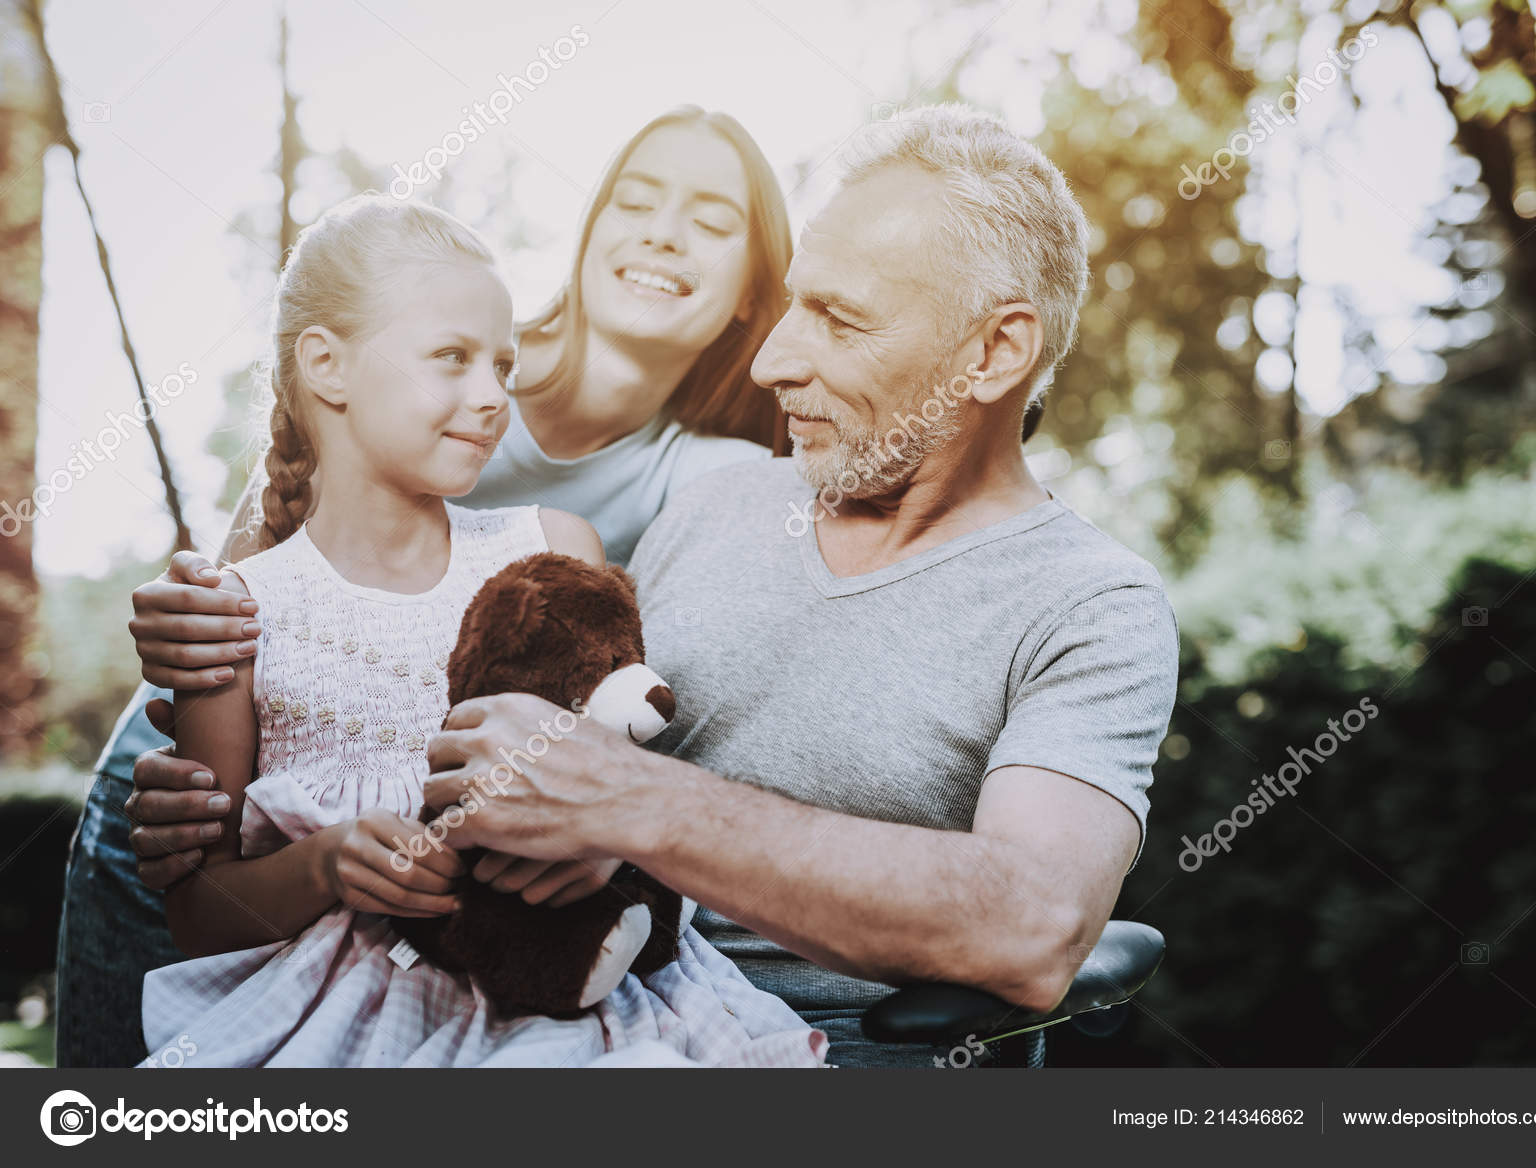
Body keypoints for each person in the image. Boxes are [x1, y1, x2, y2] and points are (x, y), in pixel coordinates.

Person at [125, 104, 1181, 1068]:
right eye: (790, 306)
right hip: (535, 1013)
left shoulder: (1089, 604)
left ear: (995, 350)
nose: (773, 362)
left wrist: (634, 809)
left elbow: (1032, 924)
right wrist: (217, 640)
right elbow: (388, 546)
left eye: (839, 320)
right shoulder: (715, 505)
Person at [56, 106, 794, 1069]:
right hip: (203, 791)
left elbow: (649, 708)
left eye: (712, 217)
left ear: (751, 290)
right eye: (638, 197)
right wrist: (192, 604)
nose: (663, 230)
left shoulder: (712, 475)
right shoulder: (441, 324)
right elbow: (265, 545)